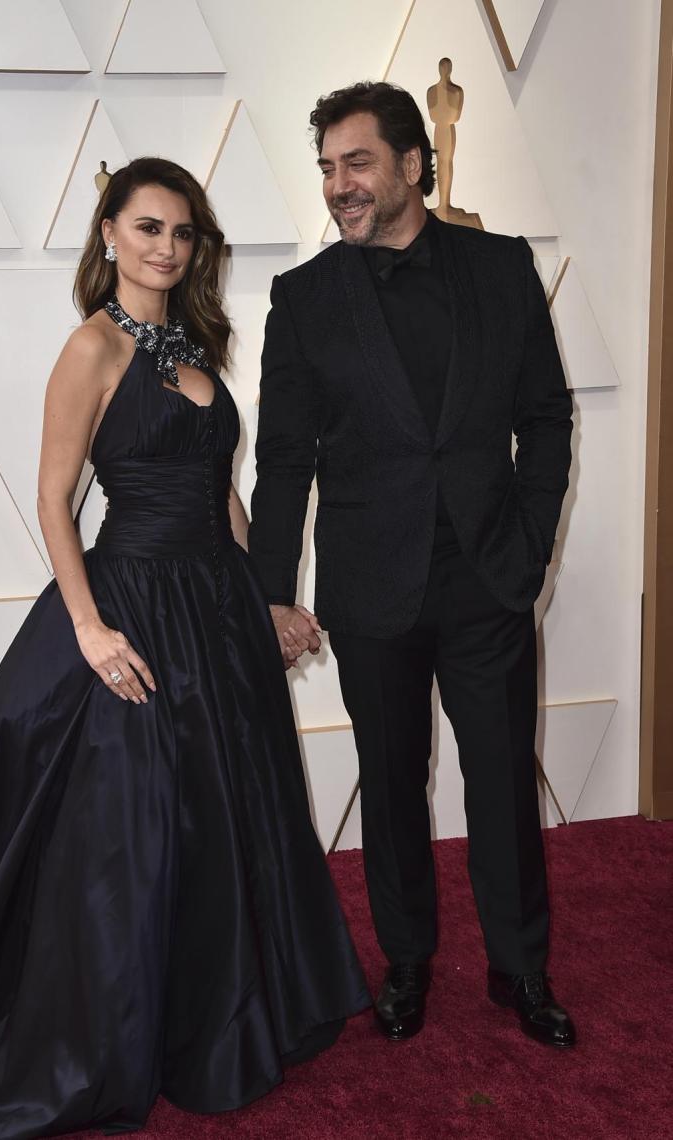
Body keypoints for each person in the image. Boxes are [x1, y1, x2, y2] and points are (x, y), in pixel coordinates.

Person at [0, 157, 369, 1139]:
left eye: (181, 233)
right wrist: (87, 629)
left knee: (228, 815)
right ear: (108, 236)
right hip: (131, 605)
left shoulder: (195, 341)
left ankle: (213, 1014)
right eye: (147, 228)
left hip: (214, 610)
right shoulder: (91, 349)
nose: (166, 247)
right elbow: (53, 498)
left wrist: (266, 600)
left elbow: (222, 493)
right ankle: (121, 1027)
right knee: (134, 832)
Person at [249, 82, 576, 1049]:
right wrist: (272, 590)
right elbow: (283, 459)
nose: (337, 186)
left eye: (355, 164)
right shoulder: (302, 298)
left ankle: (520, 969)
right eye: (325, 169)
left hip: (486, 578)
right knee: (390, 781)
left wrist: (528, 546)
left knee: (502, 784)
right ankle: (406, 960)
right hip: (370, 584)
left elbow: (546, 418)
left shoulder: (500, 266)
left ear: (409, 165)